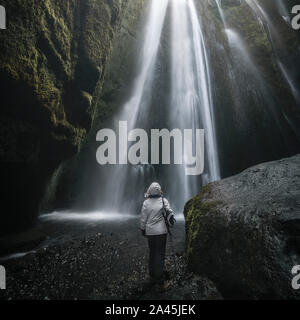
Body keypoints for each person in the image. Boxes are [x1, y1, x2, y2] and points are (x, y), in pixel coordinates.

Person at [140, 182, 175, 291]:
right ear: (159, 191)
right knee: (160, 253)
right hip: (161, 232)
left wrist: (143, 229)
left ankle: (152, 275)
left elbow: (143, 218)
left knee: (152, 252)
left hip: (150, 232)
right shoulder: (164, 201)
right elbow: (170, 213)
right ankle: (160, 281)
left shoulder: (146, 203)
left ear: (149, 191)